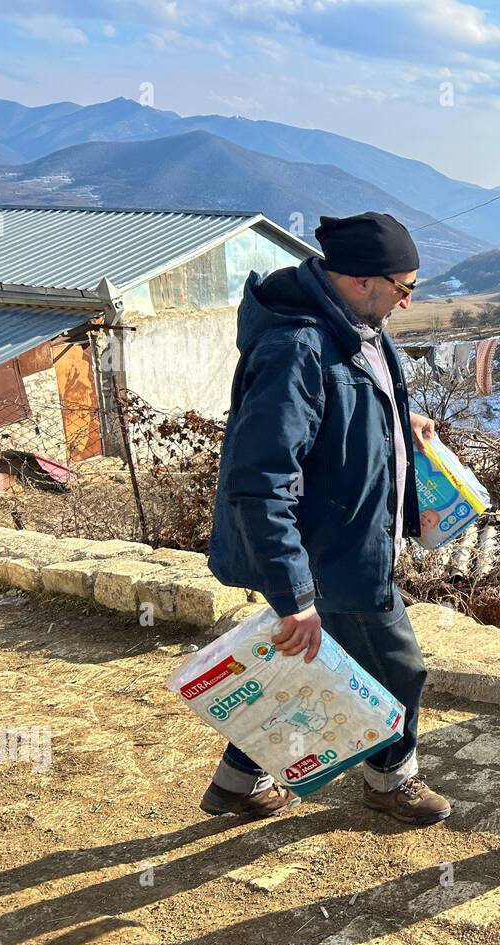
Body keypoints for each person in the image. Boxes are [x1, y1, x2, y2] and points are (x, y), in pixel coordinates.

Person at [201, 211, 451, 826]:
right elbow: (258, 481)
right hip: (333, 555)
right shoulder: (297, 348)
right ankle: (391, 781)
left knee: (304, 667)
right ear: (364, 280)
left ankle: (237, 781)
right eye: (403, 287)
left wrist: (401, 425)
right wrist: (295, 595)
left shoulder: (357, 328)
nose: (407, 301)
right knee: (397, 669)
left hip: (345, 543)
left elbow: (343, 417)